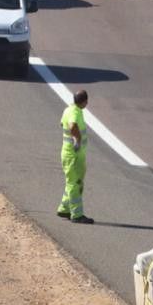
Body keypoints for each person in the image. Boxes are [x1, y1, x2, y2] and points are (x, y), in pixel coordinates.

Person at [58, 90, 94, 224]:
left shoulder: (68, 110)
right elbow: (72, 126)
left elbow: (62, 124)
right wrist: (77, 140)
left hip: (70, 154)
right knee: (76, 183)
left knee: (71, 182)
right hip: (74, 155)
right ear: (84, 102)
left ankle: (64, 208)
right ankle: (77, 214)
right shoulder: (74, 112)